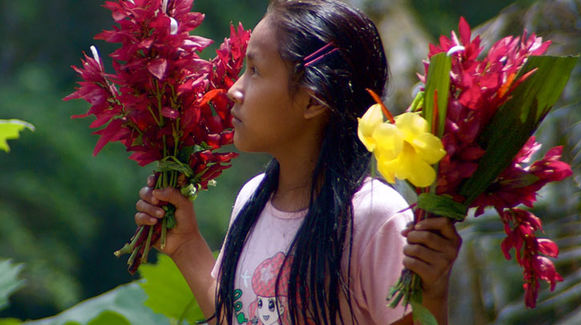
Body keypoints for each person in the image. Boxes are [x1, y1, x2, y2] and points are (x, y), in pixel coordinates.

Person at [135, 0, 461, 324]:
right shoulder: (253, 198)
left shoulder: (376, 218)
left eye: (255, 71)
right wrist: (186, 245)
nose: (234, 90)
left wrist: (433, 295)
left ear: (312, 100)